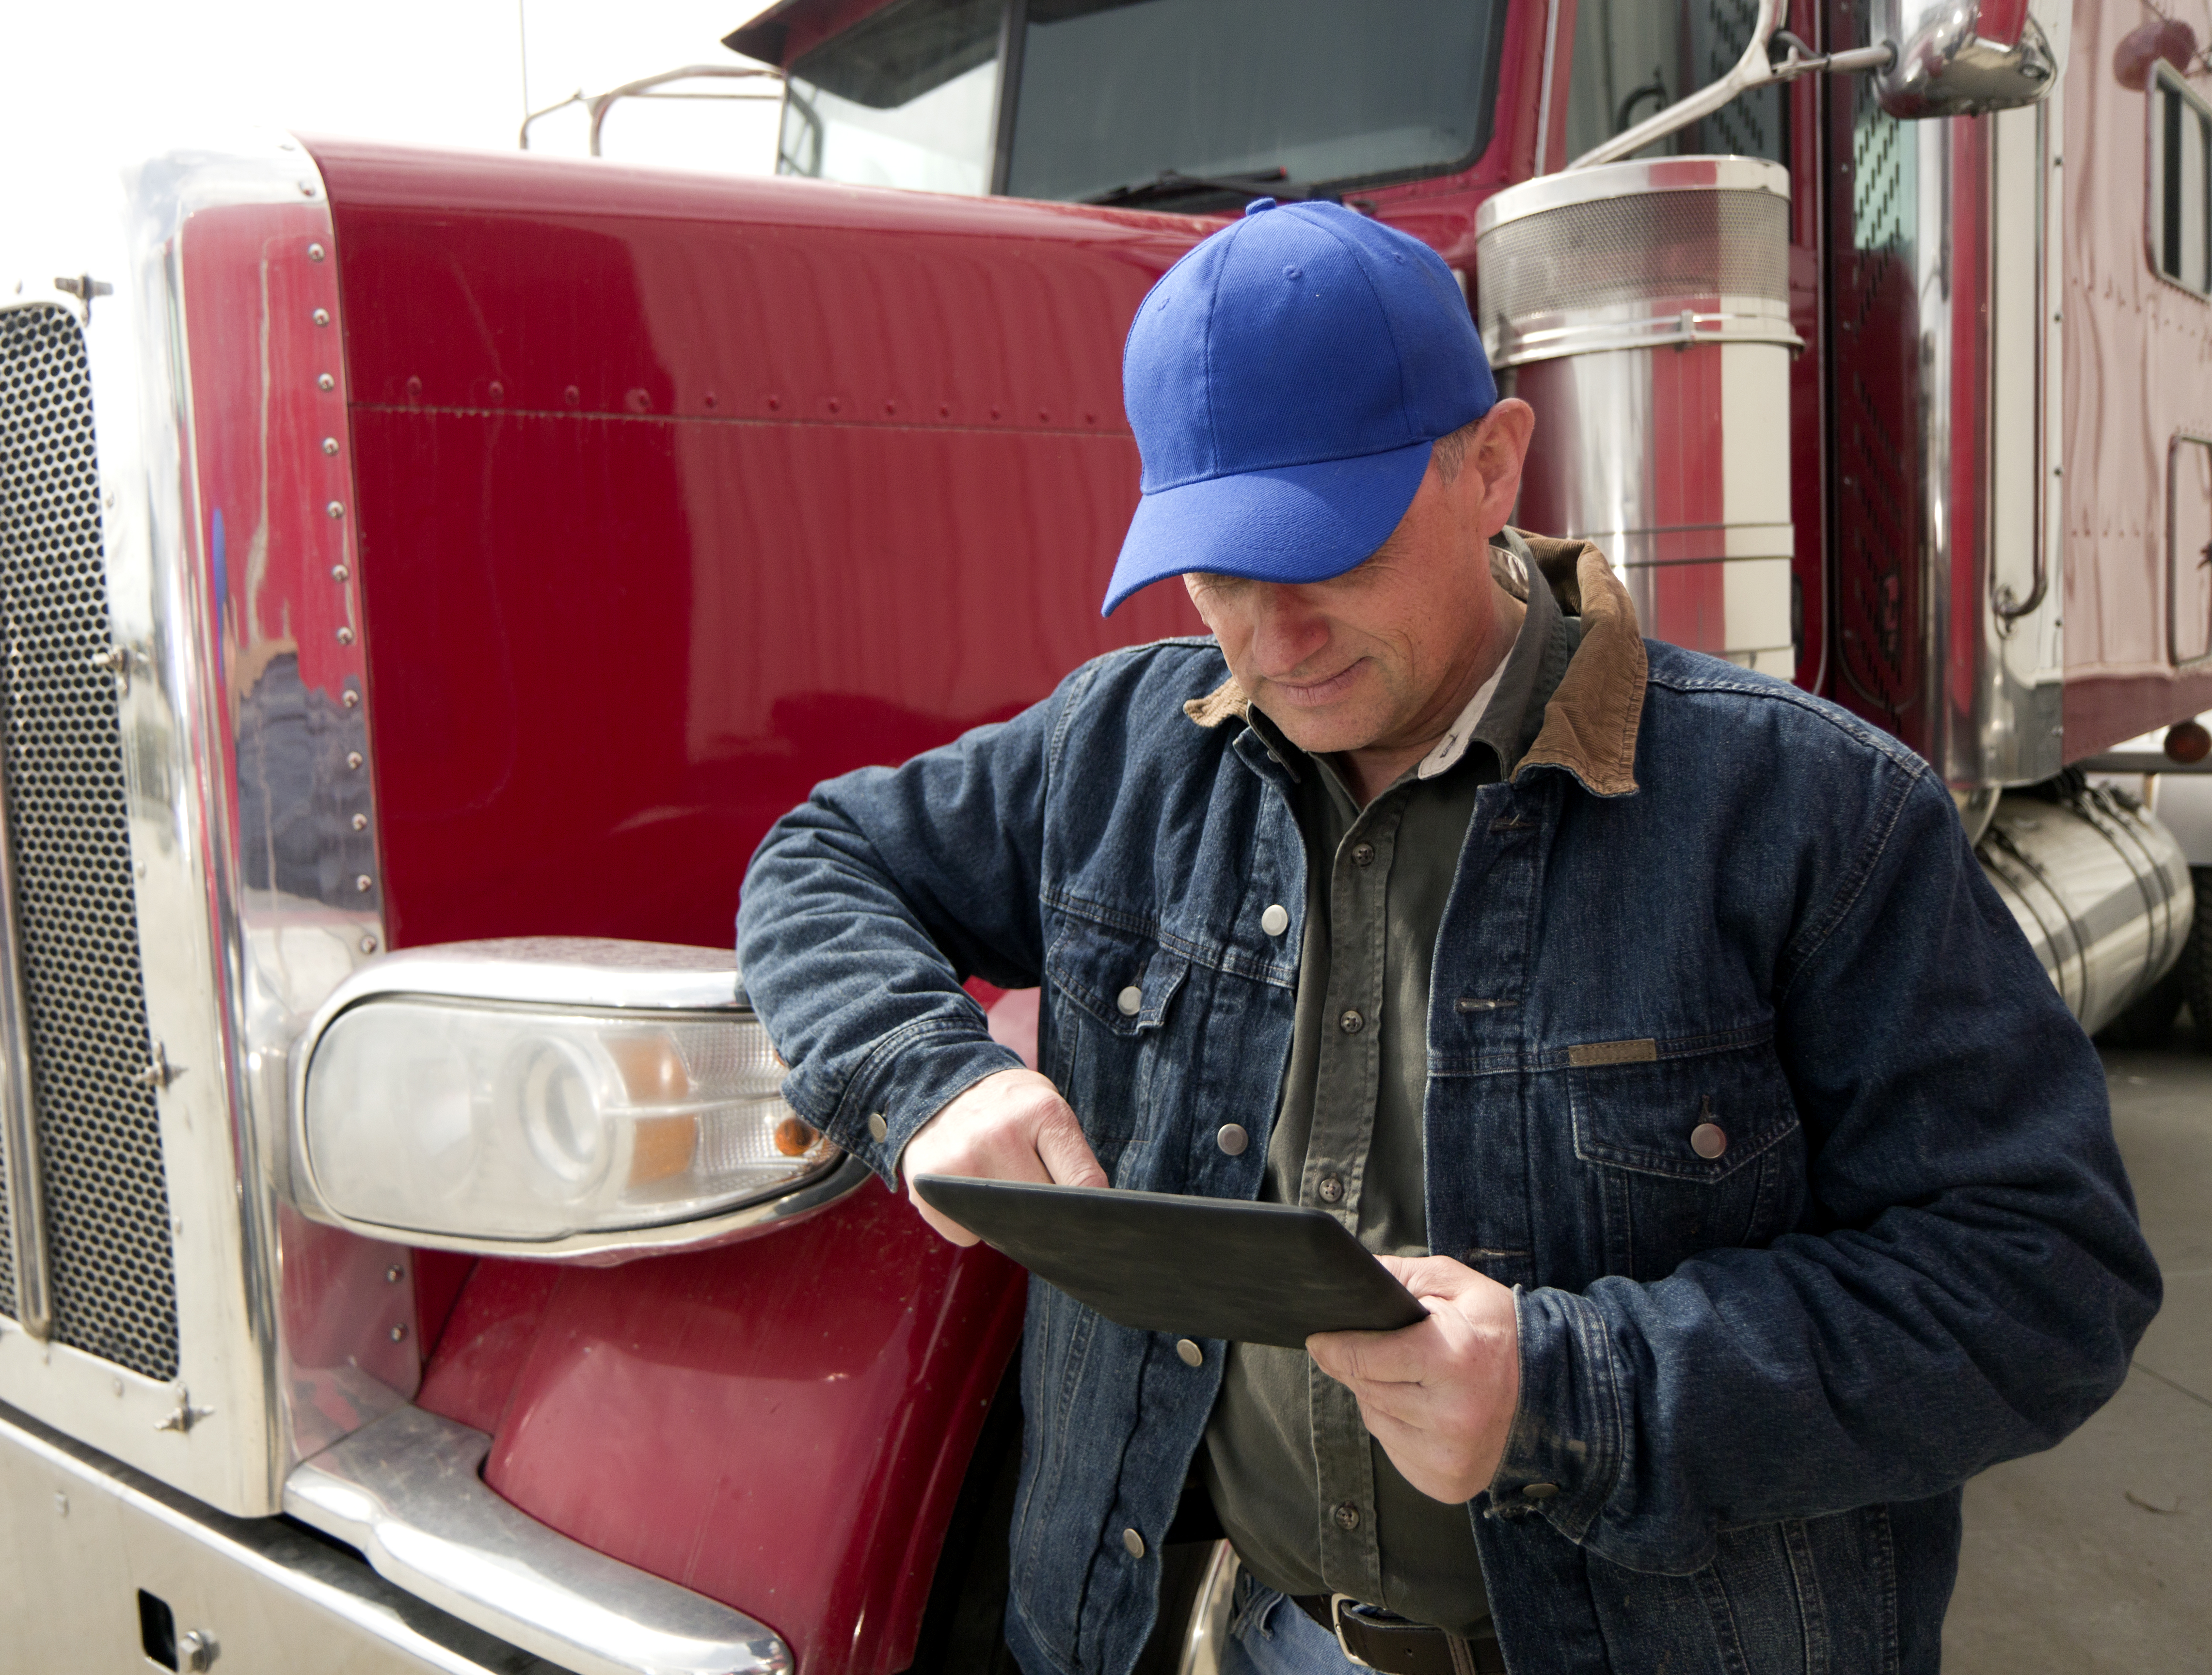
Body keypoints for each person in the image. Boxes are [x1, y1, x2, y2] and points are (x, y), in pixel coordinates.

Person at [734, 199, 2157, 1675]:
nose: (1276, 637)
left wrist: (1573, 1384)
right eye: (1222, 571)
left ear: (1491, 465)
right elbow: (819, 857)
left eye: (1330, 554)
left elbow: (2043, 1283)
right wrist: (931, 1079)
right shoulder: (1120, 748)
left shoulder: (1811, 814)